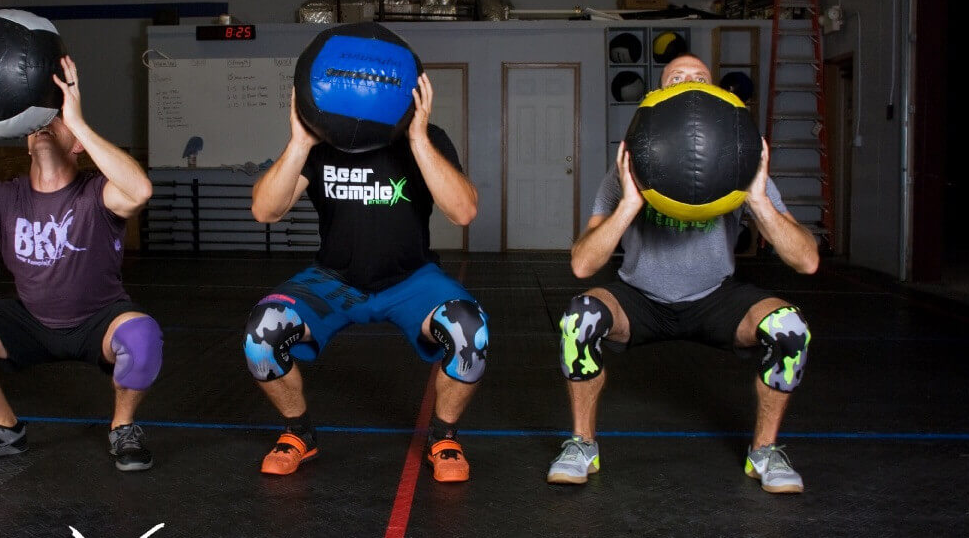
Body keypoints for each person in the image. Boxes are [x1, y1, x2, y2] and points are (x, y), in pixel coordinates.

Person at [549, 52, 820, 492]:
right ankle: (582, 444)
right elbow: (583, 264)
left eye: (700, 77)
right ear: (658, 96)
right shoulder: (626, 169)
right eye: (678, 77)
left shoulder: (739, 163)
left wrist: (757, 200)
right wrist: (630, 204)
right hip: (640, 298)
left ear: (713, 94)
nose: (689, 83)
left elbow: (806, 260)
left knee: (790, 328)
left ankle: (765, 452)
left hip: (715, 298)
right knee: (578, 319)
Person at [0, 55, 162, 471]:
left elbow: (138, 191)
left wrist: (78, 120)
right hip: (30, 321)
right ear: (25, 139)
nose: (46, 125)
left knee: (142, 335)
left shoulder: (98, 193)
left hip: (98, 320)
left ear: (77, 143)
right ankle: (4, 429)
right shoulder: (2, 196)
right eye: (38, 122)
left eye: (56, 120)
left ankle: (123, 430)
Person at [244, 67, 488, 482]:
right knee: (261, 335)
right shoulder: (323, 140)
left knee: (470, 331)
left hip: (411, 281)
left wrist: (418, 140)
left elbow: (464, 211)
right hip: (333, 282)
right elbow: (265, 211)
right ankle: (299, 432)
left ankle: (444, 437)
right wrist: (301, 141)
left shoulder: (428, 137)